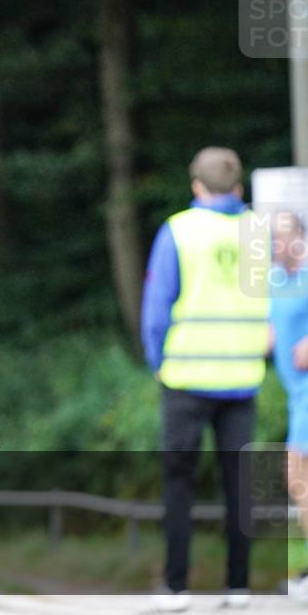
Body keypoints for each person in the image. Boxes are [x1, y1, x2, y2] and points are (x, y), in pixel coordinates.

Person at [140, 147, 271, 612]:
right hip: (242, 377)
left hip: (187, 377)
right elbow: (267, 300)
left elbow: (157, 306)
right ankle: (238, 587)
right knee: (240, 484)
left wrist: (158, 361)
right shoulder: (258, 232)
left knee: (179, 482)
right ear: (238, 188)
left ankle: (177, 587)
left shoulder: (179, 229)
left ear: (197, 185)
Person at [269, 212, 308, 600]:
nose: (276, 244)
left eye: (283, 236)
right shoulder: (275, 283)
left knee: (297, 475)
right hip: (295, 395)